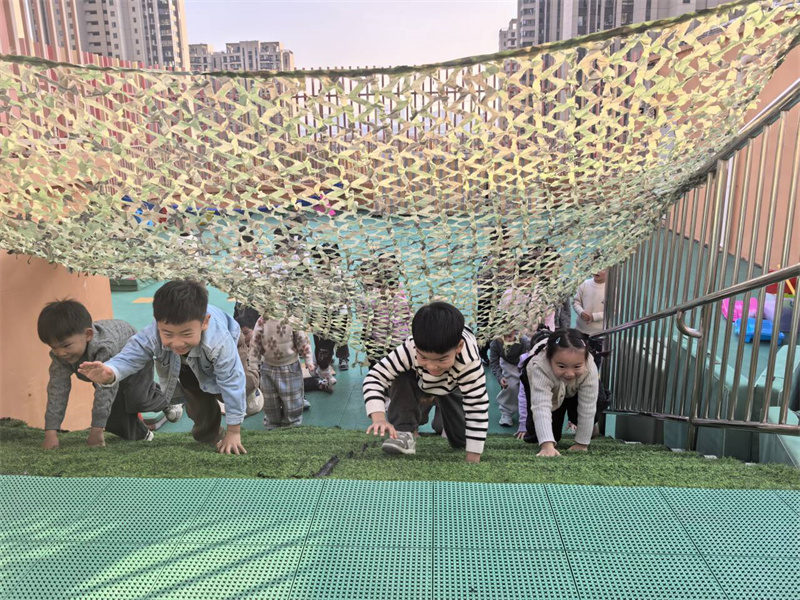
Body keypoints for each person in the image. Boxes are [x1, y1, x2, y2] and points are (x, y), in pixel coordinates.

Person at [78, 280, 248, 455]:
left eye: (186, 333)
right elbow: (132, 355)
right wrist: (112, 370)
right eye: (168, 334)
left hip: (231, 348)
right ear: (158, 323)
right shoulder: (153, 334)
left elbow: (232, 381)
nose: (177, 343)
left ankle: (252, 392)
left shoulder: (219, 342)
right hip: (186, 364)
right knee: (199, 408)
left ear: (205, 322)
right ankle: (210, 438)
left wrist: (234, 432)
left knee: (241, 386)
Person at [37, 299, 181, 449]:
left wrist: (96, 431)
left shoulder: (103, 347)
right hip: (106, 373)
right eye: (54, 347)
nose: (61, 353)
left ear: (88, 335)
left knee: (137, 399)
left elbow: (105, 391)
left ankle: (170, 399)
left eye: (66, 345)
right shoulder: (60, 357)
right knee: (113, 416)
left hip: (132, 359)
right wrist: (51, 432)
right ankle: (142, 435)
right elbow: (57, 391)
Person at [363, 301, 489, 463]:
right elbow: (374, 377)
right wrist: (379, 418)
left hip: (453, 385)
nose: (432, 366)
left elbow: (477, 405)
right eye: (423, 357)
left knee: (461, 440)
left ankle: (438, 402)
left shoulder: (469, 361)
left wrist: (473, 455)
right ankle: (404, 431)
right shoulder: (409, 348)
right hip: (419, 379)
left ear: (459, 347)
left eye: (442, 359)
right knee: (400, 374)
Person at [519, 329, 599, 456]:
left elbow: (588, 406)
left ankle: (586, 426)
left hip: (575, 388)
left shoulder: (590, 368)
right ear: (550, 359)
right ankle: (538, 433)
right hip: (545, 384)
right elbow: (541, 406)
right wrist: (547, 445)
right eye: (561, 366)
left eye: (577, 366)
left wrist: (582, 443)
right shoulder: (540, 366)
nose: (569, 373)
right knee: (545, 435)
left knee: (593, 407)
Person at [248, 315, 315, 429]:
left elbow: (302, 339)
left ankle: (292, 424)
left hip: (290, 367)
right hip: (268, 367)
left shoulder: (292, 319)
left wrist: (308, 359)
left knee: (292, 399)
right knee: (270, 400)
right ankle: (272, 424)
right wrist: (253, 364)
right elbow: (255, 342)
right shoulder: (262, 321)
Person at [358, 254, 412, 368]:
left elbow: (406, 316)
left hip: (393, 338)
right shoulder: (369, 296)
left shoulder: (372, 297)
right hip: (381, 338)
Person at [488, 330, 531, 427]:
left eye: (510, 336)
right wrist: (500, 377)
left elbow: (529, 360)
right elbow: (494, 364)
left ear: (516, 333)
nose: (507, 340)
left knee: (526, 386)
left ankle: (527, 411)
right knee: (510, 386)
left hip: (523, 362)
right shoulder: (495, 343)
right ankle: (506, 412)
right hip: (507, 363)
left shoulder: (524, 342)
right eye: (503, 336)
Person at [573, 269, 606, 336]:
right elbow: (576, 302)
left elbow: (614, 311)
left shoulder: (611, 288)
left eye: (602, 269)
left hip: (601, 332)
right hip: (580, 329)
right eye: (595, 267)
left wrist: (594, 317)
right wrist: (581, 312)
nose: (597, 271)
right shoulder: (584, 284)